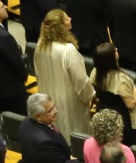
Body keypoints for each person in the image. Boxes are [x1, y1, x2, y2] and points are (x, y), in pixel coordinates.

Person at [34, 10, 95, 139]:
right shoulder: (68, 50)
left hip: (48, 97)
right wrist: (90, 95)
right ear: (61, 27)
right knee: (74, 134)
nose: (70, 19)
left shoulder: (40, 45)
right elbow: (81, 81)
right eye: (67, 19)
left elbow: (37, 73)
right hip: (69, 102)